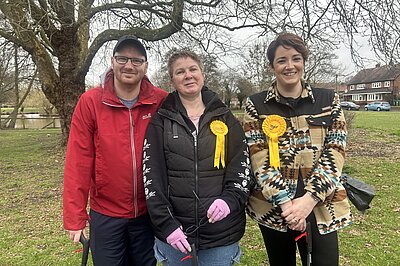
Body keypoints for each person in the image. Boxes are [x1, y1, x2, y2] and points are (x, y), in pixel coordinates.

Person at [244, 32, 353, 266]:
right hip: (274, 208)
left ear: (304, 61)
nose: (289, 66)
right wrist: (287, 205)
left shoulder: (328, 99)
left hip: (321, 205)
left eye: (296, 58)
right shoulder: (256, 104)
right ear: (272, 66)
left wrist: (308, 200)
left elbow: (335, 151)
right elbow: (259, 158)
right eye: (281, 60)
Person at [63, 35, 168, 266]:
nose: (129, 65)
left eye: (136, 60)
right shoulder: (91, 101)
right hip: (105, 213)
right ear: (112, 62)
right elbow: (78, 160)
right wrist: (74, 215)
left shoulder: (161, 101)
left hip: (148, 212)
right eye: (122, 58)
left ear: (146, 66)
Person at [142, 50, 252, 265]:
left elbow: (241, 166)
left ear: (203, 74)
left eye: (193, 69)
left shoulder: (225, 117)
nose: (188, 75)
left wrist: (229, 200)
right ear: (172, 80)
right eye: (180, 72)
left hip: (221, 234)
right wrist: (167, 225)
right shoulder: (160, 122)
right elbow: (151, 178)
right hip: (176, 236)